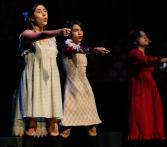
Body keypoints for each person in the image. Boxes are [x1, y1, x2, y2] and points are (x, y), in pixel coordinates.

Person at [12, 3, 71, 147]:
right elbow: (40, 34)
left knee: (54, 126)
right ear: (32, 18)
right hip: (33, 81)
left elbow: (47, 37)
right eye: (39, 12)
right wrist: (59, 31)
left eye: (45, 11)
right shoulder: (25, 34)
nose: (44, 14)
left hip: (51, 83)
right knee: (31, 126)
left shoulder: (52, 39)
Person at [59, 19, 110, 147]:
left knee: (92, 128)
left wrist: (94, 50)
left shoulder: (80, 47)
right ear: (70, 33)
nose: (80, 33)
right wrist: (95, 50)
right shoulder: (67, 44)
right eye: (76, 30)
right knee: (66, 129)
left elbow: (81, 50)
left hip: (85, 90)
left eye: (81, 30)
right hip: (72, 90)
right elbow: (78, 49)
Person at [127, 29, 167, 147]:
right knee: (141, 119)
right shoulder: (134, 53)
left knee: (150, 119)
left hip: (149, 89)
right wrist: (163, 59)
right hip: (140, 90)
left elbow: (149, 66)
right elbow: (145, 61)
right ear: (135, 41)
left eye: (146, 36)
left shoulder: (144, 54)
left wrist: (164, 67)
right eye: (141, 36)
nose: (145, 38)